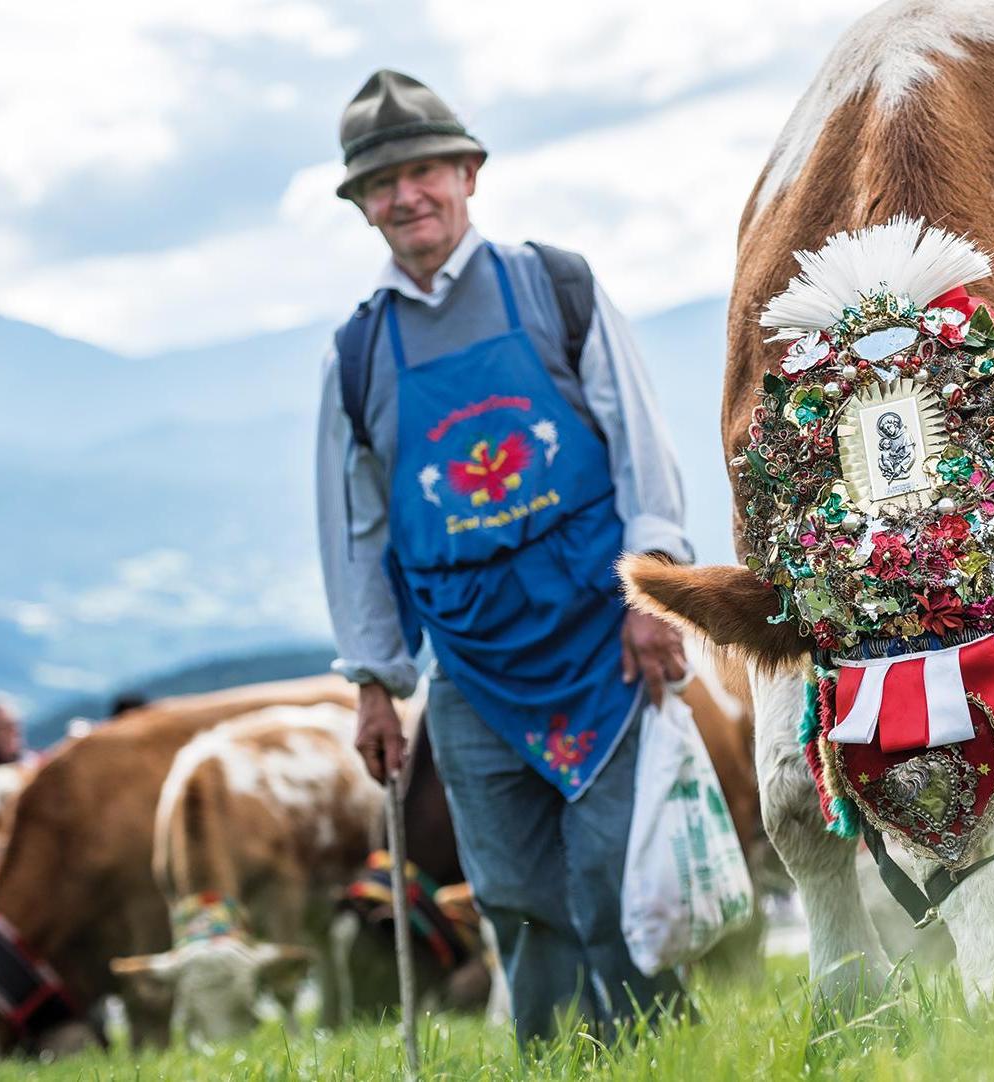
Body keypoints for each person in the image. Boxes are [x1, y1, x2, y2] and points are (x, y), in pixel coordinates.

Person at [315, 69, 692, 1046]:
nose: (406, 196)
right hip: (470, 667)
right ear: (361, 206)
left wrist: (653, 588)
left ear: (469, 173)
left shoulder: (555, 286)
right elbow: (357, 531)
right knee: (515, 896)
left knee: (616, 873)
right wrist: (374, 680)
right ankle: (559, 1062)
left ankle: (663, 1059)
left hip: (600, 642)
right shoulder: (356, 355)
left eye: (424, 171)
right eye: (381, 183)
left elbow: (639, 444)